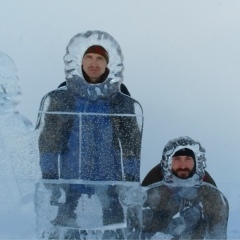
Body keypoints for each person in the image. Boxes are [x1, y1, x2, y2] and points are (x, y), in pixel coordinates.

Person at [35, 30, 143, 238]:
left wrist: (130, 180)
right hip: (71, 178)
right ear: (80, 60)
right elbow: (49, 140)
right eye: (89, 57)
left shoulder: (120, 98)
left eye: (100, 58)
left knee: (114, 229)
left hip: (110, 180)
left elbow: (130, 143)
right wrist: (50, 178)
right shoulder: (63, 95)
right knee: (66, 229)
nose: (94, 63)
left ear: (108, 63)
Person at [141, 136, 229, 239]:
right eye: (177, 159)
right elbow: (140, 220)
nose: (183, 165)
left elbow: (216, 222)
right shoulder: (154, 180)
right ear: (168, 161)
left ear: (196, 161)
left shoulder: (206, 185)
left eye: (188, 159)